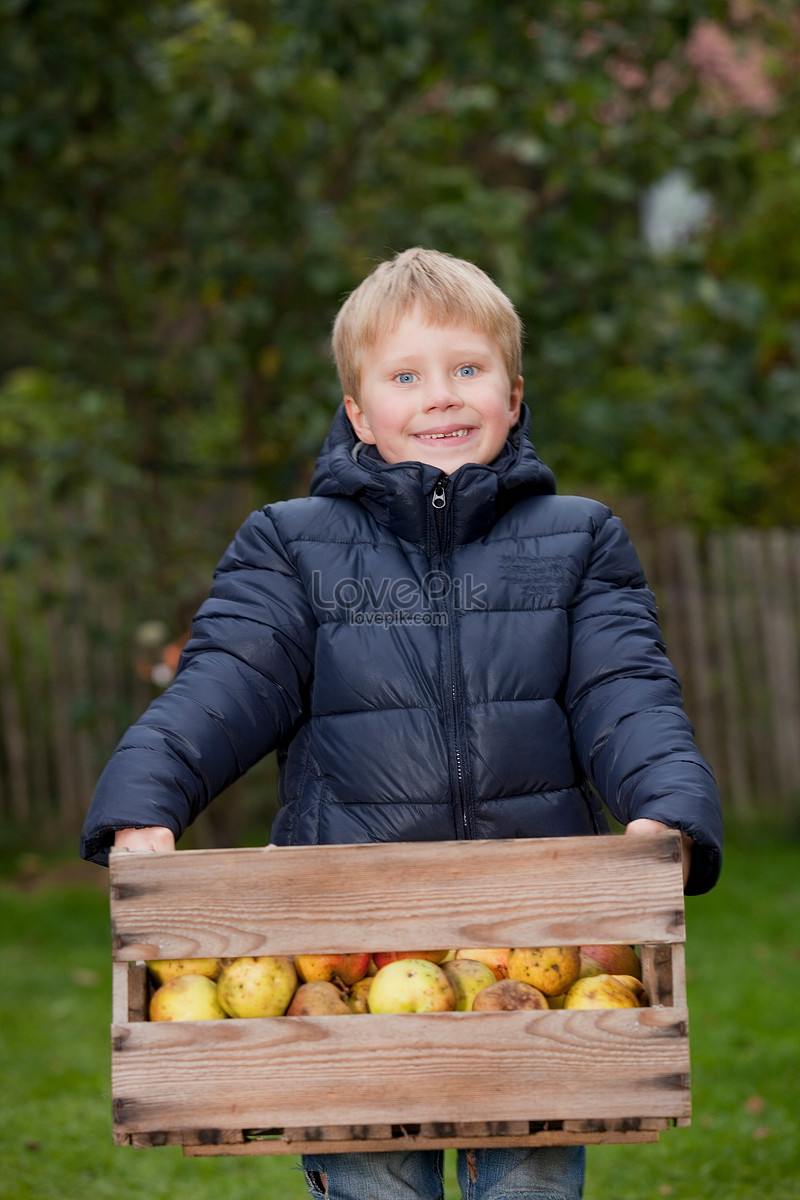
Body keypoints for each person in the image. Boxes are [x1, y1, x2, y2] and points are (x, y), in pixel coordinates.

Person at [81, 247, 723, 1200]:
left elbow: (624, 692)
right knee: (376, 1177)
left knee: (532, 1178)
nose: (442, 396)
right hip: (346, 948)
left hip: (534, 944)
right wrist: (143, 806)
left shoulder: (578, 539)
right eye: (407, 375)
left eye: (469, 369)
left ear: (513, 393)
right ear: (358, 411)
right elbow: (223, 685)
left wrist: (665, 809)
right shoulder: (292, 545)